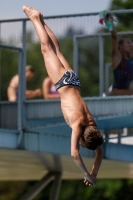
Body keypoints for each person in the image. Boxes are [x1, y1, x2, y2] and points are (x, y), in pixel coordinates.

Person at [22, 6, 104, 186]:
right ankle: (35, 19)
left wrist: (94, 173)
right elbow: (74, 153)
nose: (81, 145)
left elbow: (100, 152)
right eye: (82, 143)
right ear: (82, 137)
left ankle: (42, 21)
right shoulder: (78, 125)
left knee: (57, 50)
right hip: (62, 83)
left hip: (74, 81)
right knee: (46, 49)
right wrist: (86, 174)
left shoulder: (92, 125)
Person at [110, 20, 133, 95]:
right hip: (119, 95)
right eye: (128, 43)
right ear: (120, 46)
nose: (131, 45)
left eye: (131, 43)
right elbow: (114, 37)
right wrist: (110, 23)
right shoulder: (118, 58)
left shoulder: (130, 59)